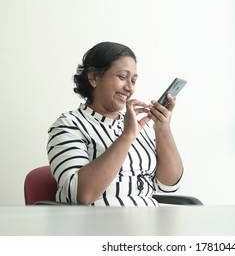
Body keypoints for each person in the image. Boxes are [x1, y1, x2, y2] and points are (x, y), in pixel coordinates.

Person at [47, 41, 183, 206]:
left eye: (133, 80)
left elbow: (169, 185)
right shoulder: (69, 125)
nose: (129, 88)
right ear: (93, 77)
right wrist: (127, 136)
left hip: (148, 223)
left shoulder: (138, 125)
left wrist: (162, 129)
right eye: (122, 77)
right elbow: (81, 194)